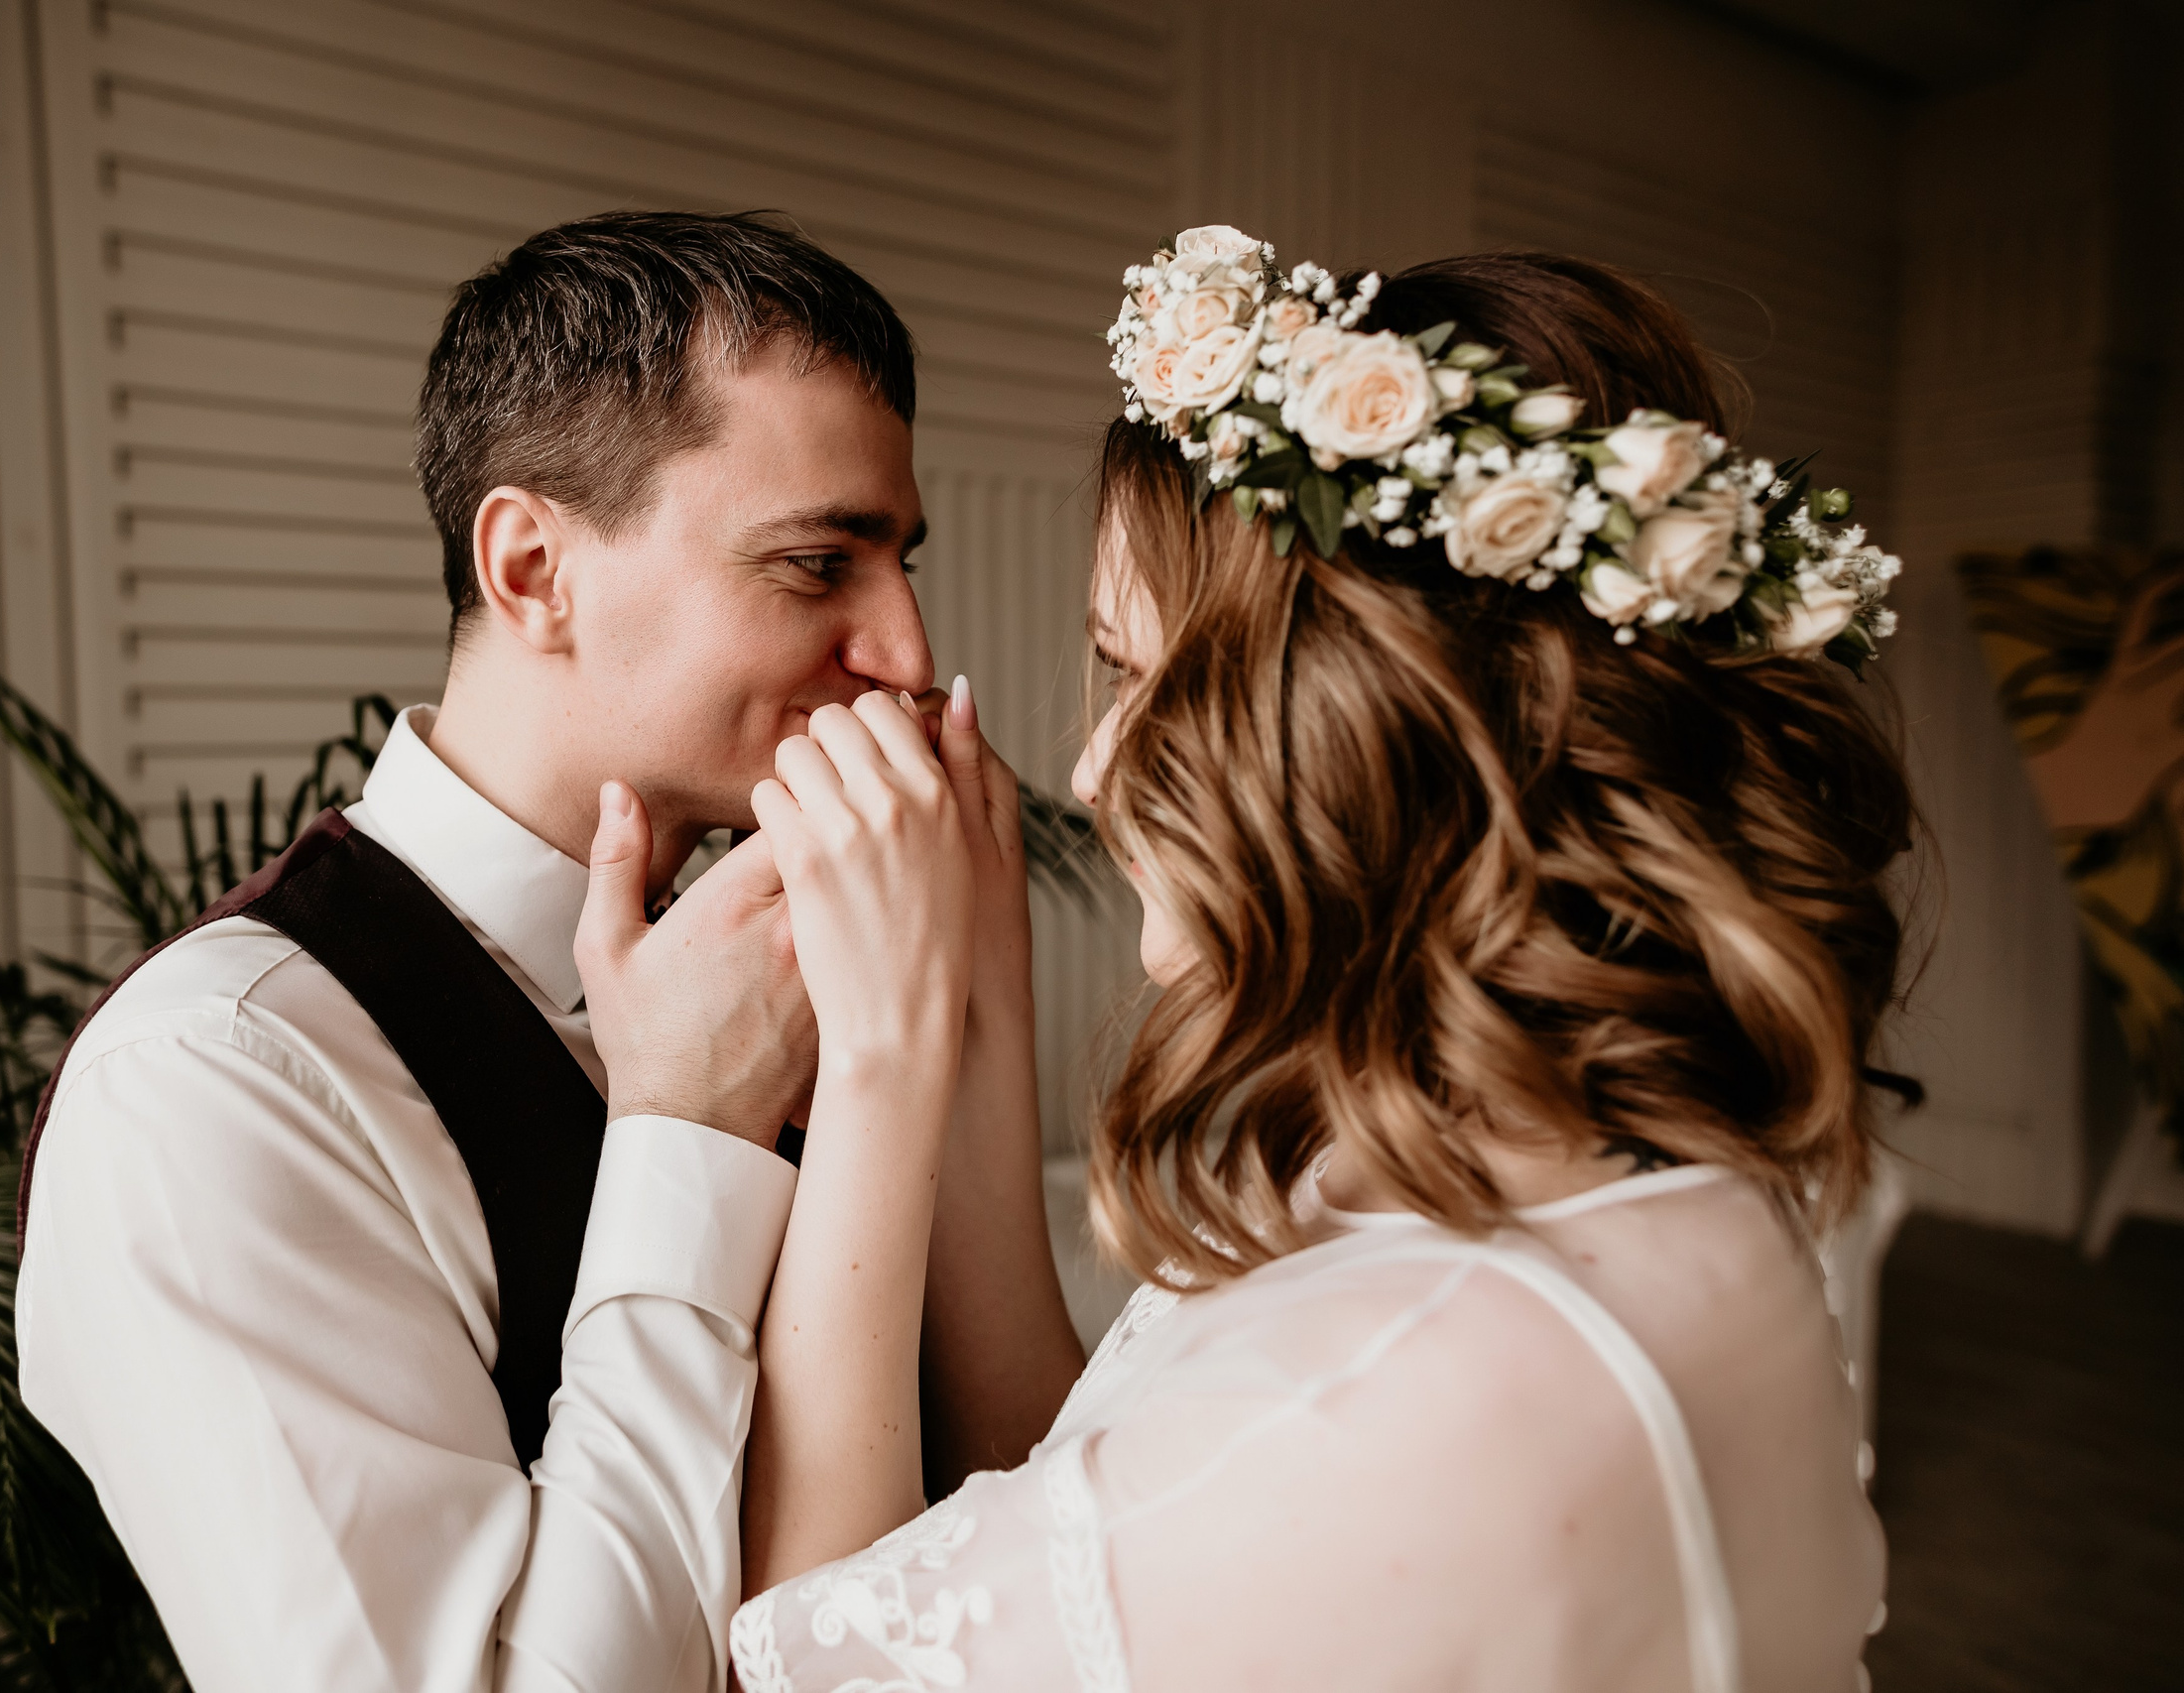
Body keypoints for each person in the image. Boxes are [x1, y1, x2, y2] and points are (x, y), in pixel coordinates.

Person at [722, 237, 1906, 1692]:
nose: (1093, 766)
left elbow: (813, 1654)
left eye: (1148, 678)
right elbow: (1080, 1535)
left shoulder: (1388, 1401)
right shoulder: (1582, 1191)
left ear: (1370, 738)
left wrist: (883, 1059)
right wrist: (983, 1011)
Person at [13, 211, 1076, 1693]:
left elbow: (1033, 1531)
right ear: (532, 571)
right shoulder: (214, 1081)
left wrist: (972, 1016)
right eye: (818, 561)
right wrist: (684, 1135)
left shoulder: (846, 947)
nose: (904, 649)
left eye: (898, 559)